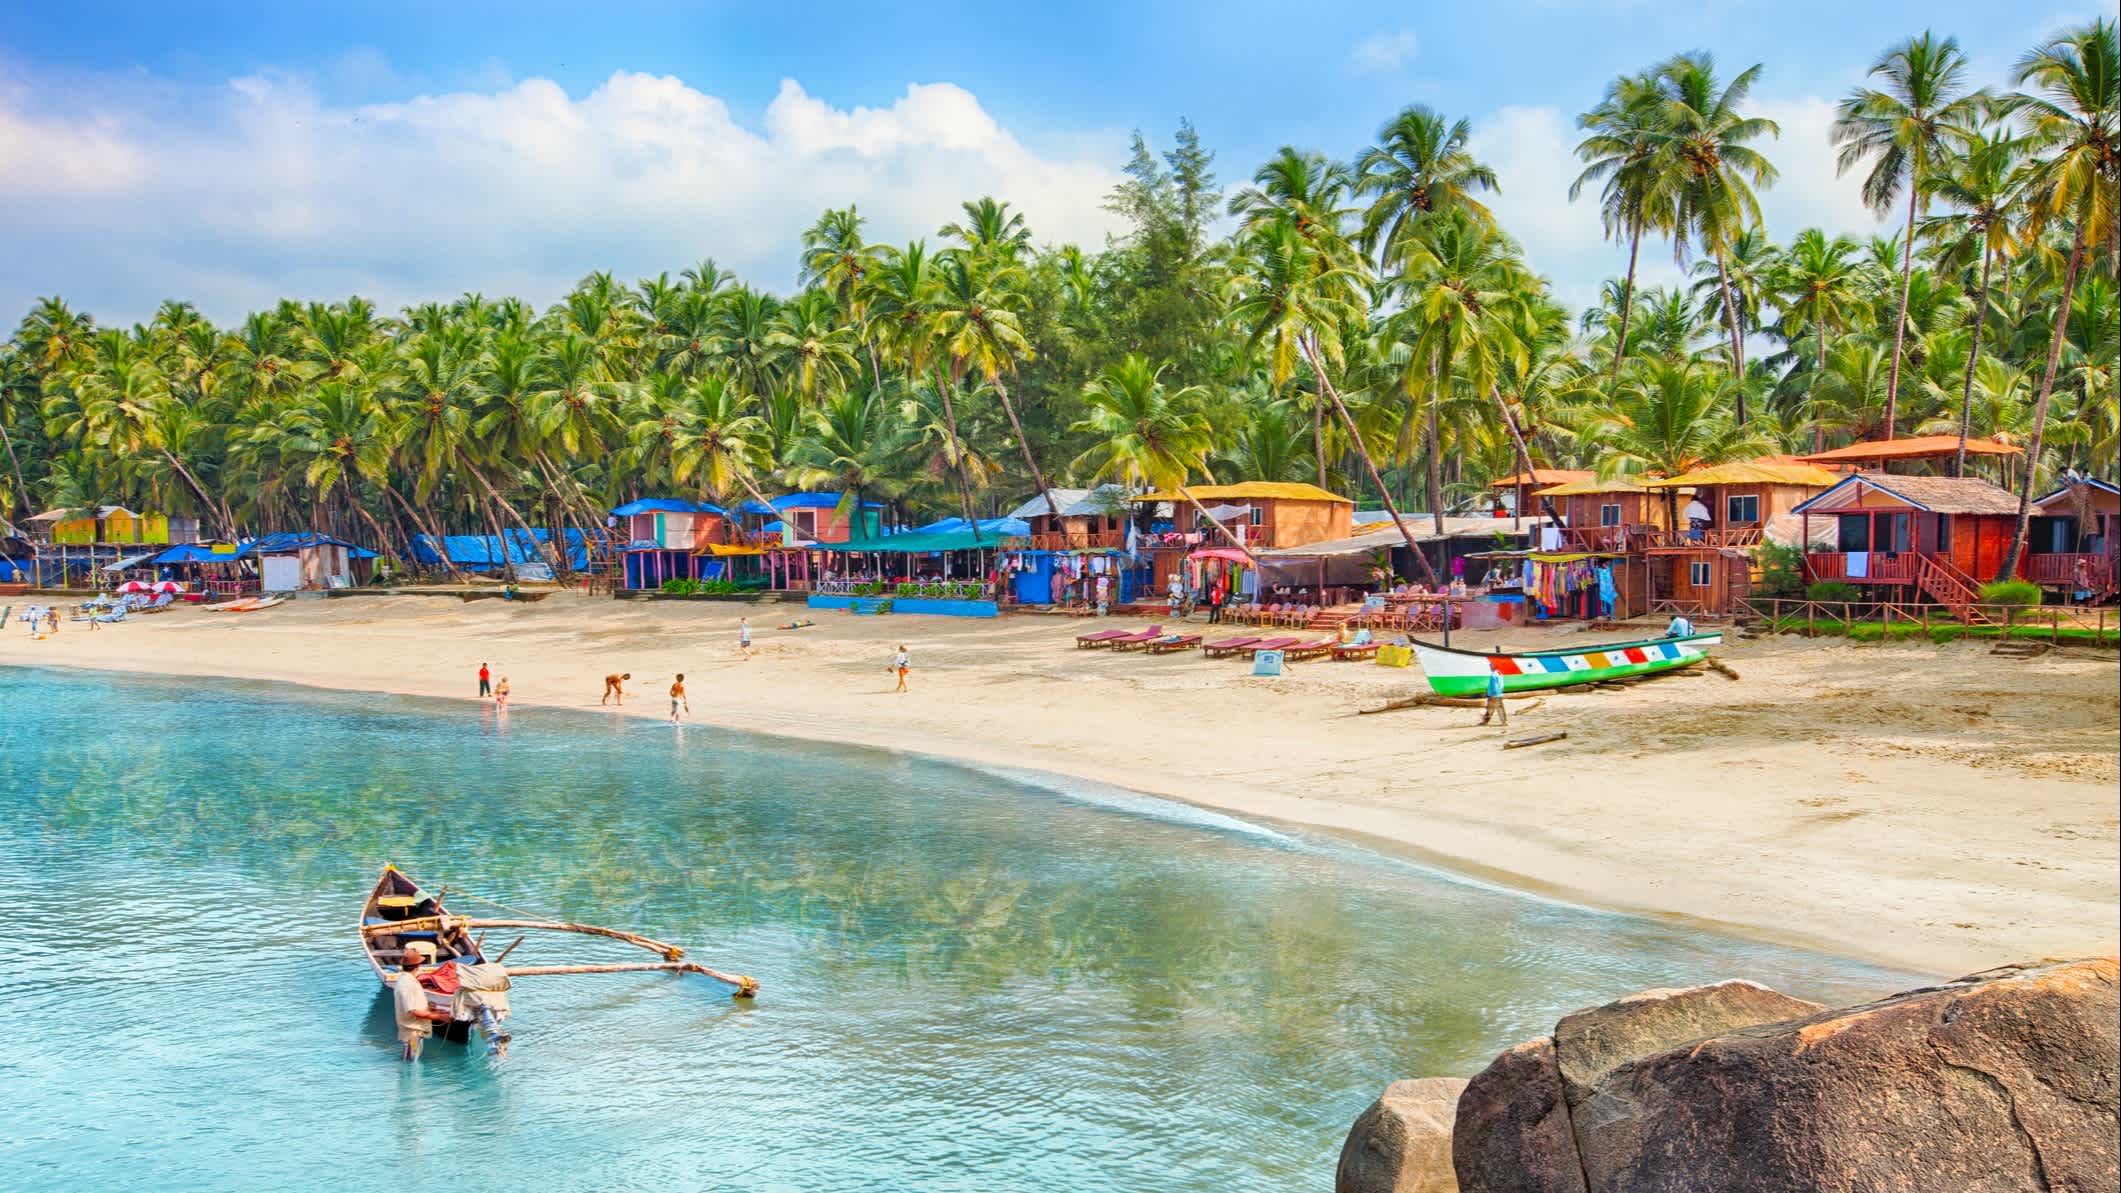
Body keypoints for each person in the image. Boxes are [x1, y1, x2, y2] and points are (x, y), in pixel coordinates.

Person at [393, 941, 453, 1062]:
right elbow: (414, 1011)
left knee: (411, 1063)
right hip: (412, 1033)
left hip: (413, 1032)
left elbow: (413, 1005)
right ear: (418, 966)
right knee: (411, 1064)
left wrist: (428, 1007)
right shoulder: (408, 984)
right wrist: (439, 1016)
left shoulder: (407, 980)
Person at [1479, 662, 1509, 728]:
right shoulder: (1500, 673)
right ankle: (1504, 721)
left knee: (1490, 709)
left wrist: (1493, 693)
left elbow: (1494, 685)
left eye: (1491, 666)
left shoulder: (1493, 675)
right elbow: (1501, 684)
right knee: (1500, 708)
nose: (1490, 667)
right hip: (1499, 694)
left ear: (1494, 666)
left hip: (1494, 695)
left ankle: (1485, 721)